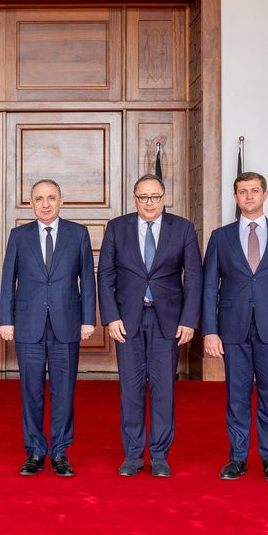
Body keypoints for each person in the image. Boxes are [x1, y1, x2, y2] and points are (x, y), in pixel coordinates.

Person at [202, 172, 268, 483]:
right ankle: (237, 459)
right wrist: (210, 330)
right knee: (236, 397)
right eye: (242, 191)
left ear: (265, 194)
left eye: (254, 190)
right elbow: (209, 287)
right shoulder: (220, 237)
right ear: (235, 197)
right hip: (232, 329)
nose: (249, 196)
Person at [98, 174, 201, 478]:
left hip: (167, 321)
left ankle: (159, 456)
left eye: (155, 196)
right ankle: (132, 455)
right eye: (143, 197)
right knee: (130, 390)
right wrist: (111, 317)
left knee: (163, 389)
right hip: (127, 320)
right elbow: (105, 275)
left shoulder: (182, 228)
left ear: (164, 198)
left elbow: (194, 277)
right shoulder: (117, 228)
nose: (149, 202)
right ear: (135, 200)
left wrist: (188, 320)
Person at [0, 179, 96, 477]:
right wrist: (6, 320)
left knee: (64, 391)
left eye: (51, 198)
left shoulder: (78, 234)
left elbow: (87, 279)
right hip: (28, 325)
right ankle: (35, 451)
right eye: (39, 199)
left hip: (67, 324)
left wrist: (88, 319)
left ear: (61, 201)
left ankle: (60, 452)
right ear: (31, 203)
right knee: (31, 391)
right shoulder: (19, 235)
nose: (45, 204)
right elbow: (8, 280)